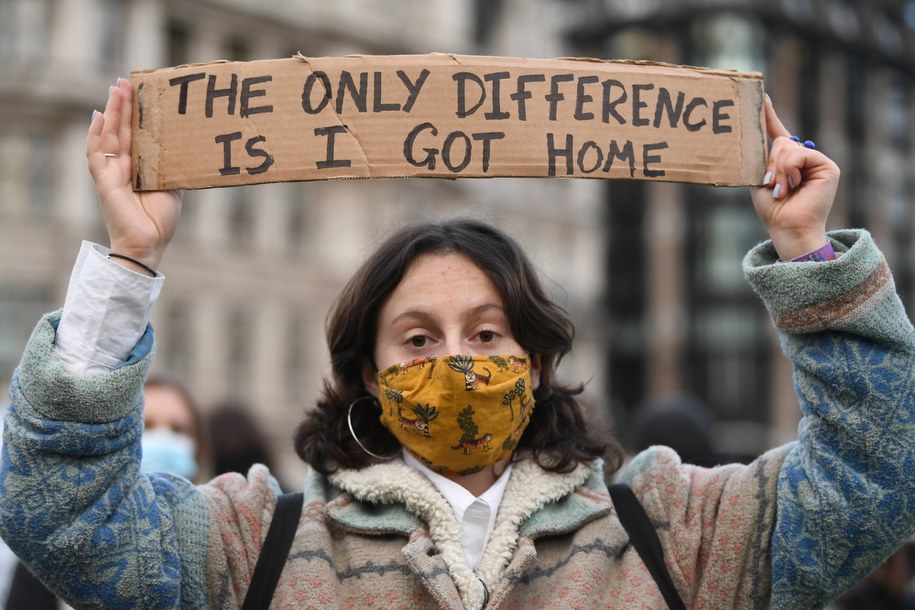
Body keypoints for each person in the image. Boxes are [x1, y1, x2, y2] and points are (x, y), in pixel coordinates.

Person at [0, 77, 913, 610]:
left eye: (486, 332)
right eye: (417, 338)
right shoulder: (253, 546)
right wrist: (127, 263)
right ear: (368, 373)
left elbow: (878, 478)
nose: (456, 361)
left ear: (537, 360)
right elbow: (61, 514)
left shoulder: (677, 531)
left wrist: (810, 253)